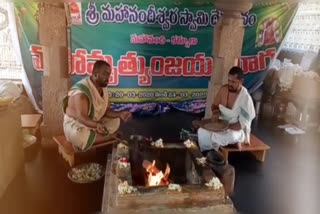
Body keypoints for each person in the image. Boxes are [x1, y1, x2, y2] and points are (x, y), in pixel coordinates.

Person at [63, 60, 132, 152]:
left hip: (95, 123)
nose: (108, 78)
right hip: (77, 124)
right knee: (79, 135)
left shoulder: (104, 88)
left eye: (109, 74)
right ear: (95, 74)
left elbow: (107, 111)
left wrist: (120, 114)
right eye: (105, 74)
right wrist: (97, 125)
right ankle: (108, 137)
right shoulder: (82, 93)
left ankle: (95, 137)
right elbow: (82, 118)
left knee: (115, 121)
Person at [197, 66, 255, 152]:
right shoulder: (223, 89)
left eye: (233, 82)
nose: (230, 84)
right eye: (229, 81)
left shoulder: (245, 98)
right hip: (221, 124)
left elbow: (242, 124)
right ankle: (208, 155)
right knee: (201, 131)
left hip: (235, 129)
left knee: (224, 136)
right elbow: (215, 105)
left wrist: (225, 127)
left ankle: (237, 140)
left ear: (241, 81)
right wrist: (216, 112)